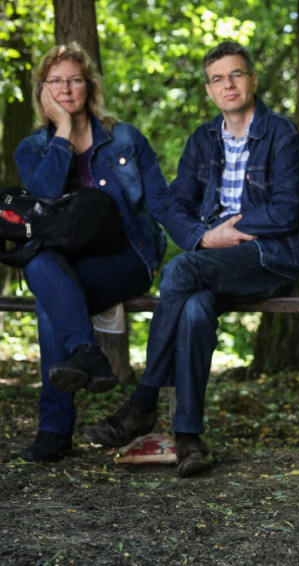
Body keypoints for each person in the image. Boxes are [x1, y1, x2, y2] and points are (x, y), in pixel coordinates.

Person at [82, 40, 299, 478]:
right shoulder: (203, 140)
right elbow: (172, 205)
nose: (228, 84)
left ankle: (143, 402)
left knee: (180, 269)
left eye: (236, 74)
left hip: (270, 258)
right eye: (217, 78)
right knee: (194, 307)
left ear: (252, 80)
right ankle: (188, 437)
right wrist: (204, 237)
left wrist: (232, 231)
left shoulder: (282, 135)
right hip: (214, 261)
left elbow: (287, 210)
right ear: (209, 90)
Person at [12, 43, 171, 463]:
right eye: (56, 81)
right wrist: (63, 132)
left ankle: (54, 428)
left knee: (51, 303)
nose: (66, 89)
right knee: (39, 265)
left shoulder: (126, 138)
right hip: (64, 261)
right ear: (42, 90)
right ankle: (88, 354)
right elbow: (43, 197)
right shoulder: (32, 148)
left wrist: (201, 241)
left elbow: (160, 201)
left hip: (128, 254)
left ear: (90, 86)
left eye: (75, 80)